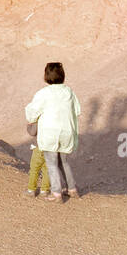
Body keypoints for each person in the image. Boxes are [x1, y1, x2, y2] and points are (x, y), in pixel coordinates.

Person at [24, 62, 81, 203]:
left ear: (46, 76)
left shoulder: (43, 93)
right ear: (63, 76)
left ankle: (56, 194)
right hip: (67, 131)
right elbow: (77, 111)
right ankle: (72, 189)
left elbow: (32, 111)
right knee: (64, 162)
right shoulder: (69, 92)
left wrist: (31, 121)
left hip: (50, 133)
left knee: (51, 163)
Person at [25, 122, 52, 198]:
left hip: (39, 147)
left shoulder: (40, 117)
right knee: (47, 170)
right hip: (51, 148)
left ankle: (31, 190)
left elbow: (33, 132)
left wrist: (29, 125)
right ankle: (44, 191)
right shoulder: (55, 117)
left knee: (34, 169)